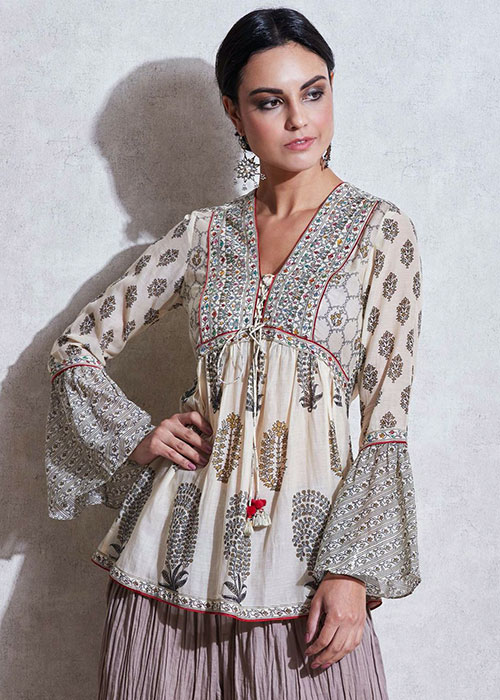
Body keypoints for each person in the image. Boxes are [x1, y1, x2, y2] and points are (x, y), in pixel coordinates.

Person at [44, 7, 423, 699]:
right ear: (234, 114)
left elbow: (385, 419)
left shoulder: (381, 232)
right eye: (270, 102)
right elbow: (76, 348)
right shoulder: (203, 236)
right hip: (171, 561)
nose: (299, 119)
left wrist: (351, 571)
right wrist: (137, 436)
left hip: (303, 571)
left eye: (313, 92)